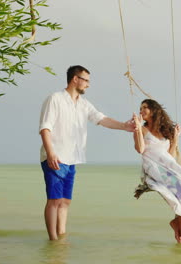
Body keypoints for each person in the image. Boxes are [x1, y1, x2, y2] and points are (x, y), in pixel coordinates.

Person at [39, 65, 134, 240]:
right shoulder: (55, 99)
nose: (88, 85)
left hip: (72, 158)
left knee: (65, 201)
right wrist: (50, 153)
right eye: (86, 80)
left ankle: (61, 236)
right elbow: (45, 128)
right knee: (54, 200)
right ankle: (53, 240)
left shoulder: (83, 104)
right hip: (56, 156)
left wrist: (124, 126)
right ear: (75, 79)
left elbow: (101, 119)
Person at [132, 99, 181, 247]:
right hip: (154, 167)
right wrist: (138, 128)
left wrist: (175, 138)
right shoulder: (141, 129)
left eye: (145, 107)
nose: (141, 110)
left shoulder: (165, 131)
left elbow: (170, 156)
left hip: (168, 166)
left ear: (154, 110)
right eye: (140, 108)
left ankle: (178, 222)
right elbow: (140, 149)